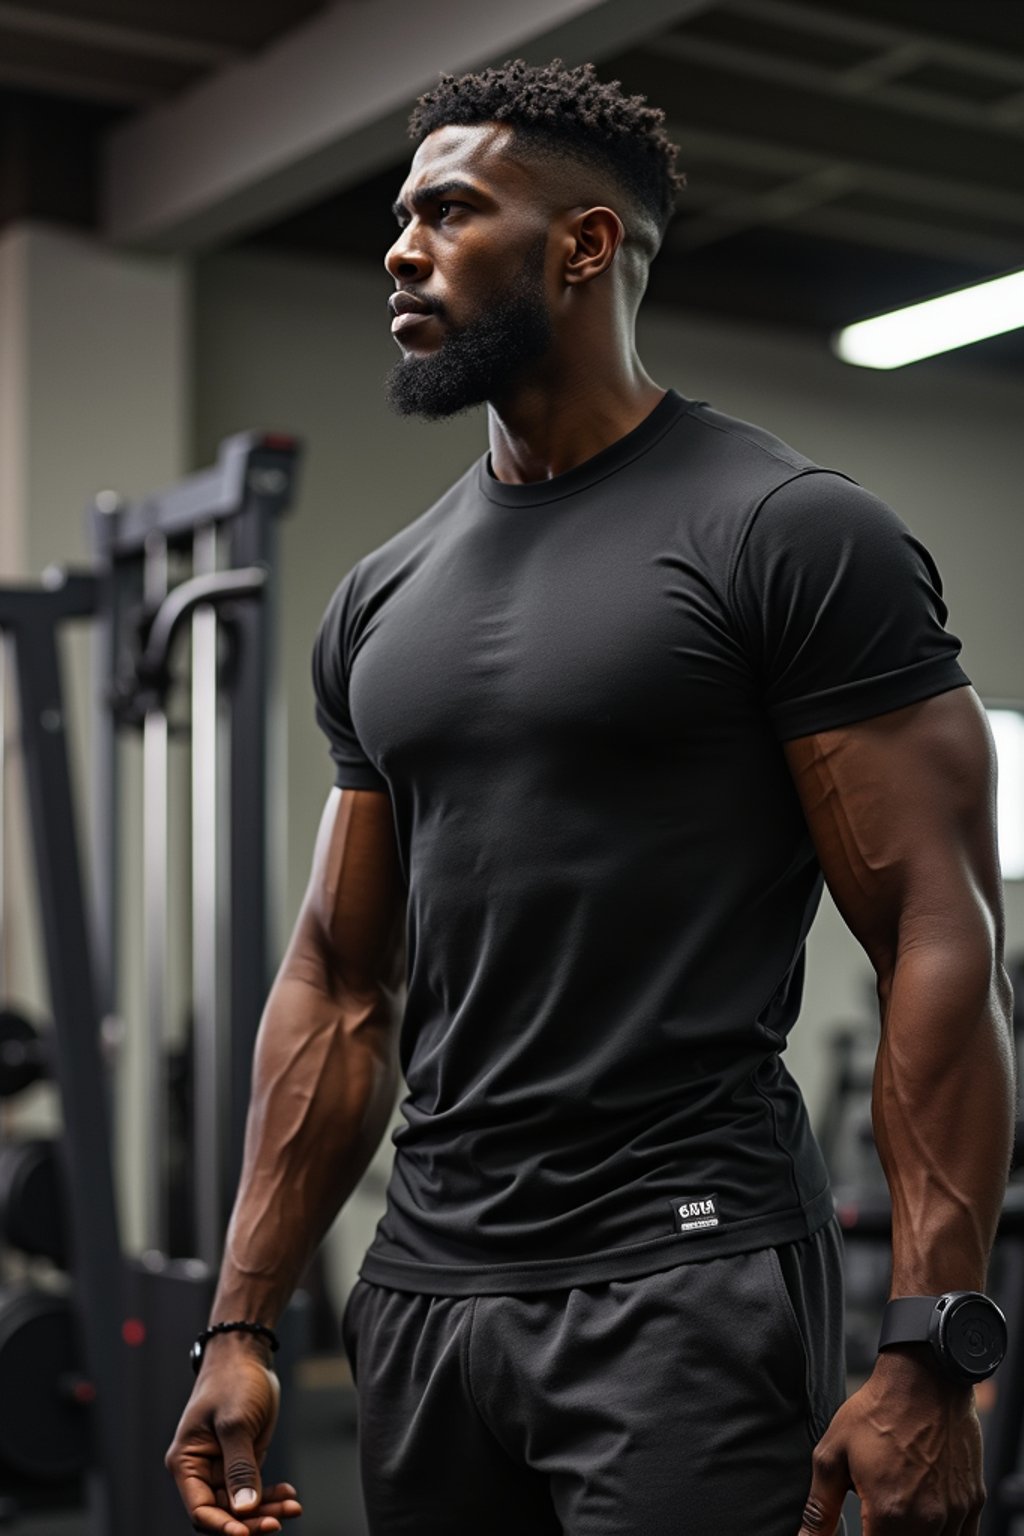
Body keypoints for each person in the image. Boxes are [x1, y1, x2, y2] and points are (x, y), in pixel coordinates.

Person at [166, 58, 1016, 1536]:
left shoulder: (788, 535)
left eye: (449, 209)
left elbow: (938, 937)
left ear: (584, 245)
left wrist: (933, 1348)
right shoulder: (382, 597)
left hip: (681, 1274)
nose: (400, 246)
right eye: (397, 215)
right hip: (428, 1291)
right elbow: (338, 980)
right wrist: (242, 1318)